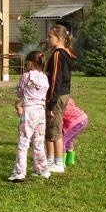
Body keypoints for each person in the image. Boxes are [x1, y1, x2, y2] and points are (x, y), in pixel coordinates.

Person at [8, 50, 50, 182]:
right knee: (38, 142)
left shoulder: (26, 76)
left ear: (30, 63)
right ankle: (43, 170)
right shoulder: (44, 77)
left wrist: (19, 101)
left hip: (29, 112)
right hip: (40, 112)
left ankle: (19, 172)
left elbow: (19, 93)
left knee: (23, 142)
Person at [45, 24, 76, 173]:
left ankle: (58, 163)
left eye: (50, 36)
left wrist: (51, 102)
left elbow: (56, 79)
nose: (47, 39)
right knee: (53, 127)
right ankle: (51, 159)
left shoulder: (58, 54)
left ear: (58, 38)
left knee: (55, 129)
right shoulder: (66, 53)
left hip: (57, 96)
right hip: (63, 94)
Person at [62, 98, 88, 167]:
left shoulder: (57, 104)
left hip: (75, 122)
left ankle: (61, 162)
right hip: (83, 118)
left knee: (62, 140)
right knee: (70, 140)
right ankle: (70, 160)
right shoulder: (67, 98)